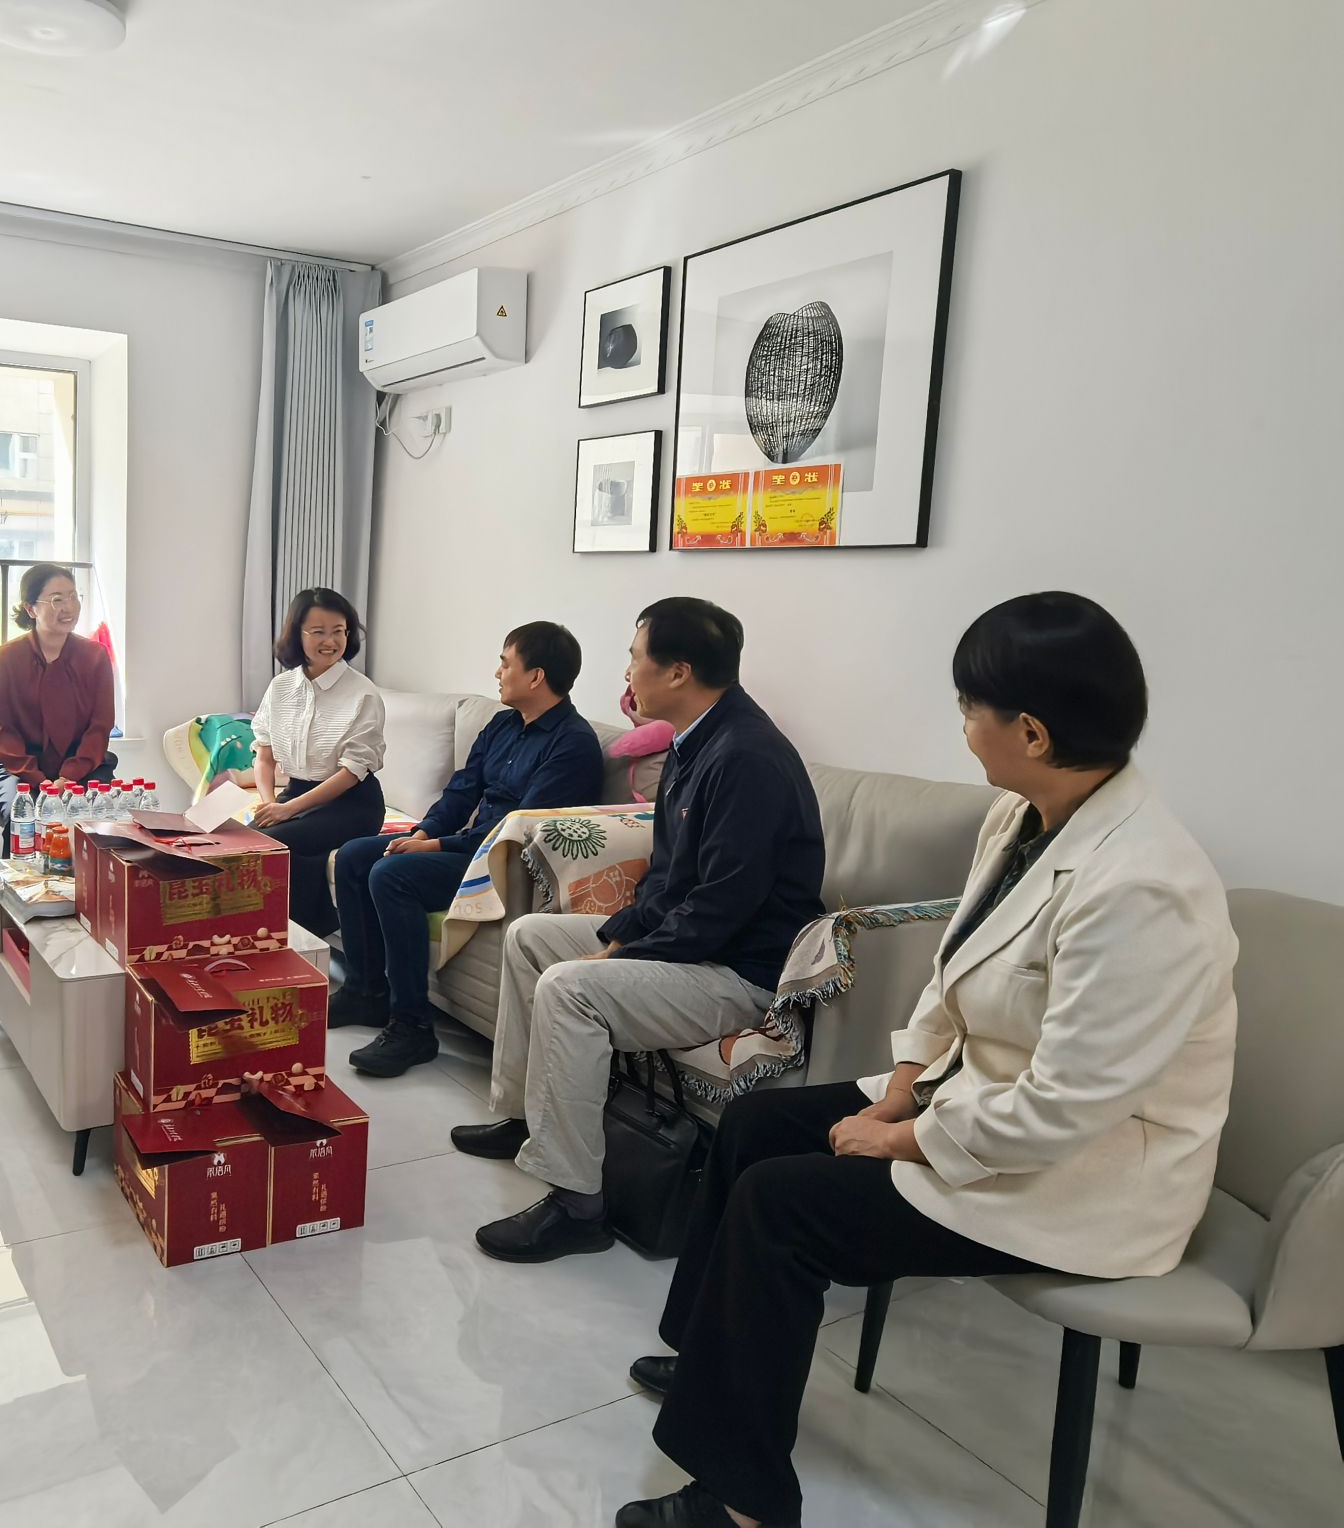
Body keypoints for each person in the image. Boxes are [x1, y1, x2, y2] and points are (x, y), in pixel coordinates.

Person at [614, 591, 1238, 1528]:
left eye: (969, 708)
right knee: (753, 1125)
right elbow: (950, 984)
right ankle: (712, 1357)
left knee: (782, 1206)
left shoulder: (1143, 884)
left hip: (1086, 1172)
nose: (963, 725)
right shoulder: (1023, 818)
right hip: (977, 1099)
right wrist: (898, 1092)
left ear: (1030, 731)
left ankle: (743, 1500)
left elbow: (1066, 1109)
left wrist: (898, 1141)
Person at [460, 597, 825, 1263]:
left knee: (571, 987)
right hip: (695, 947)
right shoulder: (693, 741)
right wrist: (623, 935)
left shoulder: (746, 758)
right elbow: (667, 878)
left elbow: (722, 906)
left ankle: (577, 1205)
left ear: (678, 671)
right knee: (531, 936)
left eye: (635, 659)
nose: (627, 674)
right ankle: (522, 1117)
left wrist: (622, 956)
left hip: (738, 973)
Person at [342, 622, 607, 1079]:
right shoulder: (503, 723)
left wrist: (434, 846)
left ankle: (412, 1027)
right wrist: (424, 833)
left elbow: (518, 830)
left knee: (392, 876)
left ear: (536, 677)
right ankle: (366, 992)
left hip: (507, 862)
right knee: (354, 856)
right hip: (470, 845)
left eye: (506, 663)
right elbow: (461, 792)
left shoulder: (573, 745)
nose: (497, 673)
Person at [249, 588, 386, 936]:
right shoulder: (280, 688)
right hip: (296, 793)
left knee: (271, 844)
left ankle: (302, 936)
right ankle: (263, 935)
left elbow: (351, 772)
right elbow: (264, 756)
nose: (331, 641)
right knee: (244, 842)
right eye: (318, 632)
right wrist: (270, 803)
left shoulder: (362, 692)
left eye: (339, 631)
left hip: (351, 803)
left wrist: (288, 810)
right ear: (297, 634)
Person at [0, 563, 117, 819]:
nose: (69, 607)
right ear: (30, 608)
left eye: (73, 597)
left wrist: (68, 777)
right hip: (20, 772)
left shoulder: (95, 656)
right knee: (23, 815)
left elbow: (100, 728)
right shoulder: (6, 659)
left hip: (84, 768)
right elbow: (5, 732)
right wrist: (39, 780)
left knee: (102, 819)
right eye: (57, 600)